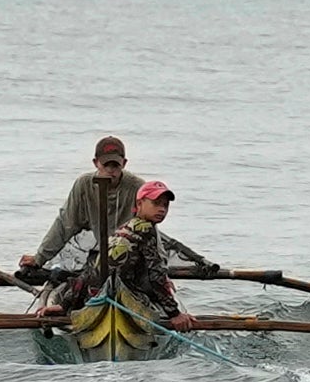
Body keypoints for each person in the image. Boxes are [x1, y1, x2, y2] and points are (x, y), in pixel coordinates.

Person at [51, 182, 214, 329]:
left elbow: (92, 271)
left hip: (94, 293)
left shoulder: (123, 229)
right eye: (156, 203)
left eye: (165, 205)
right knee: (154, 298)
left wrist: (65, 304)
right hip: (121, 295)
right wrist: (174, 314)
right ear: (139, 203)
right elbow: (155, 274)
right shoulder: (147, 230)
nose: (162, 209)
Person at [21, 136, 140, 279]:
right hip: (101, 254)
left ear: (124, 164)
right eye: (105, 165)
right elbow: (65, 223)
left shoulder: (137, 187)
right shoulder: (84, 185)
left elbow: (149, 229)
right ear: (96, 163)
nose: (110, 171)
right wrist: (39, 258)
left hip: (130, 256)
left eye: (115, 166)